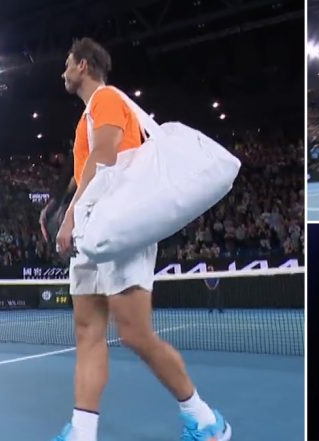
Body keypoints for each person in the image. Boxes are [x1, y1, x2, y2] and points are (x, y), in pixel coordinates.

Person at [51, 38, 231, 441]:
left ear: (82, 66)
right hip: (92, 232)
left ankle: (204, 420)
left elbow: (108, 155)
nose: (62, 72)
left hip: (120, 228)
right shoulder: (86, 118)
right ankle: (82, 432)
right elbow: (91, 167)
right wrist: (75, 216)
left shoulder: (107, 98)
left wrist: (69, 214)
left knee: (135, 333)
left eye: (66, 64)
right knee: (88, 332)